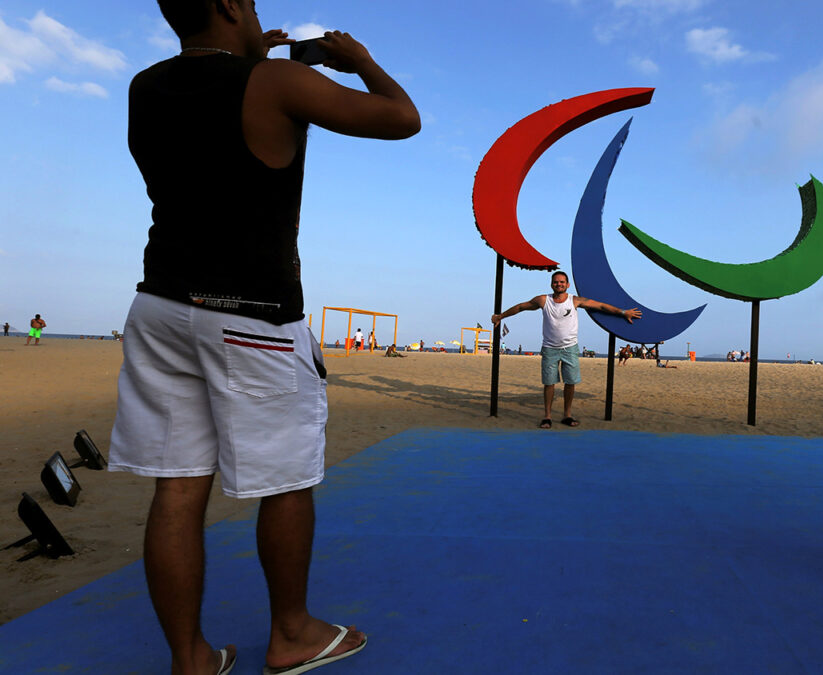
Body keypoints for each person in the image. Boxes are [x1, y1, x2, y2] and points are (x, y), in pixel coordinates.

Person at [108, 2, 419, 673]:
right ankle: (292, 632)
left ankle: (191, 656)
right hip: (253, 313)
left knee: (178, 486)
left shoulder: (145, 87)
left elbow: (211, 123)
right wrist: (358, 62)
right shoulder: (276, 84)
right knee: (285, 482)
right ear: (227, 5)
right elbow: (403, 118)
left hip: (162, 302)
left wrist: (254, 60)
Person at [492, 270, 641, 428]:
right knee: (549, 384)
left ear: (567, 285)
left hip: (570, 348)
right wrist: (501, 316)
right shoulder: (543, 300)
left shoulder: (574, 300)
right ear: (551, 284)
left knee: (570, 382)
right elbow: (522, 306)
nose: (559, 284)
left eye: (562, 282)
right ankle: (547, 416)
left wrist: (623, 312)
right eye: (556, 282)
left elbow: (601, 306)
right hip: (550, 348)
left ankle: (567, 415)